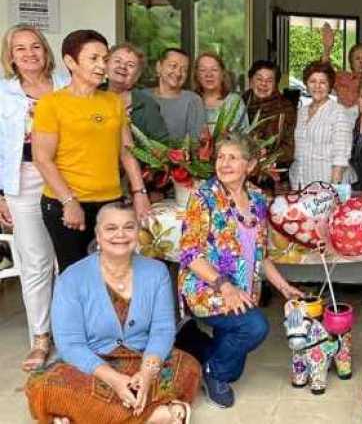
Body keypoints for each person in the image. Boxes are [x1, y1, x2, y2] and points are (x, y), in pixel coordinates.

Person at [26, 202, 201, 424]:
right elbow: (69, 343)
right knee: (41, 384)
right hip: (92, 365)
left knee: (188, 367)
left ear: (138, 233)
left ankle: (86, 415)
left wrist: (147, 373)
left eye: (129, 227)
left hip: (142, 357)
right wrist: (114, 379)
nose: (120, 234)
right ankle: (157, 415)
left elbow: (162, 330)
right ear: (98, 235)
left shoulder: (156, 272)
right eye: (111, 228)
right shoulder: (72, 278)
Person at [178, 133, 303, 408]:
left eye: (233, 157)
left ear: (250, 165)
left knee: (234, 368)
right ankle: (212, 373)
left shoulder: (257, 199)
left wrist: (283, 287)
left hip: (243, 291)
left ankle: (189, 339)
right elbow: (190, 253)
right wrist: (224, 286)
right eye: (220, 157)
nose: (224, 163)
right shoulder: (203, 196)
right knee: (253, 327)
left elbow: (261, 254)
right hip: (208, 287)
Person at [32, 29, 150, 272]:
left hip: (111, 204)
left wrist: (140, 192)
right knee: (76, 276)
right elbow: (42, 159)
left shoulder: (113, 102)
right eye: (93, 58)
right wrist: (69, 202)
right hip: (67, 204)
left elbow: (127, 152)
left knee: (115, 272)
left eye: (105, 59)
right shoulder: (51, 104)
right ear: (70, 62)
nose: (101, 66)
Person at [0, 24, 67, 371]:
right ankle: (41, 338)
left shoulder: (66, 87)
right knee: (36, 264)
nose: (29, 54)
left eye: (36, 46)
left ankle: (71, 335)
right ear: (10, 56)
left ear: (46, 51)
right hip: (22, 183)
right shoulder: (2, 93)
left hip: (65, 180)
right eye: (20, 48)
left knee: (68, 261)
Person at [289, 61, 353, 189]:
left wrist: (333, 190)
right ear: (306, 84)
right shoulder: (301, 112)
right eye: (312, 81)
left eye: (322, 82)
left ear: (330, 86)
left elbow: (341, 156)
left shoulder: (338, 112)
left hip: (327, 182)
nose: (317, 86)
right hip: (300, 180)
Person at [242, 60, 296, 189]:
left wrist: (265, 159)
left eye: (269, 80)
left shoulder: (285, 108)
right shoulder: (240, 103)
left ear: (276, 84)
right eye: (259, 79)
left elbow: (290, 147)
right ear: (251, 80)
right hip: (240, 174)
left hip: (271, 178)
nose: (263, 84)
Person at [106, 43, 170, 141]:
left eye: (130, 65)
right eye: (117, 61)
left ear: (137, 75)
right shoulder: (90, 94)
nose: (122, 66)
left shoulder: (147, 105)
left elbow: (162, 145)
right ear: (106, 65)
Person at [145, 48, 206, 141]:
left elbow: (196, 143)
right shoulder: (142, 97)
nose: (178, 73)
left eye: (184, 70)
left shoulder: (193, 100)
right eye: (173, 66)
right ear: (159, 67)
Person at [321, 22, 362, 116]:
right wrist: (327, 49)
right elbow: (324, 73)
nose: (361, 61)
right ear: (351, 62)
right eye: (357, 58)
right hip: (342, 123)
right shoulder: (342, 77)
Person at [194, 52, 248, 132]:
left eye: (214, 70)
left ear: (222, 73)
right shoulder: (190, 101)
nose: (209, 74)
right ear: (197, 75)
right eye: (203, 70)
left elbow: (245, 136)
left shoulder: (234, 102)